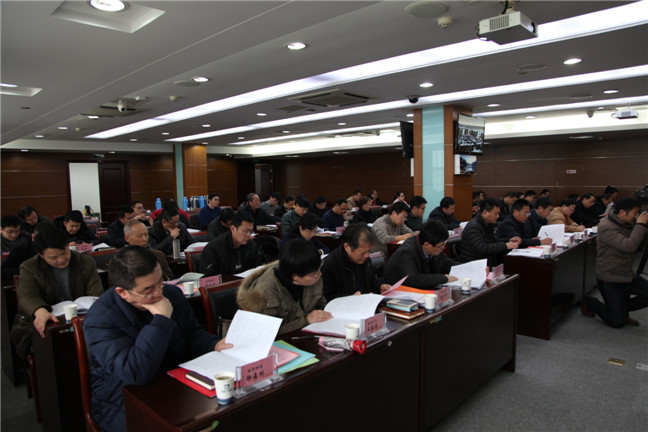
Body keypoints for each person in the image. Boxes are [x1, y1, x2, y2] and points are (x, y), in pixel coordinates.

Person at [83, 246, 232, 432]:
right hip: (123, 398)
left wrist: (214, 344)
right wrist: (161, 320)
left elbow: (192, 334)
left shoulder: (172, 294)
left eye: (160, 282)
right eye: (148, 289)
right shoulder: (99, 319)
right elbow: (135, 373)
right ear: (122, 292)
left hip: (174, 383)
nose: (158, 293)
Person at [10, 224, 103, 359]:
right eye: (54, 257)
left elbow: (96, 293)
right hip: (50, 322)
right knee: (55, 349)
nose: (61, 260)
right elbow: (27, 296)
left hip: (81, 319)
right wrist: (39, 310)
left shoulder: (85, 261)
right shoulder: (30, 267)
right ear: (41, 255)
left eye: (64, 253)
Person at [236, 239, 332, 335]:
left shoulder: (312, 275)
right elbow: (268, 333)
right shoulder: (265, 292)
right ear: (295, 276)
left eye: (319, 269)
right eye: (313, 274)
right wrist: (305, 321)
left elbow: (320, 303)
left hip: (310, 332)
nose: (319, 275)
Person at [581, 198, 648, 327]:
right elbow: (629, 246)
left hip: (627, 274)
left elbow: (640, 245)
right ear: (622, 212)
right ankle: (588, 301)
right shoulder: (606, 226)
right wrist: (640, 226)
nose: (637, 216)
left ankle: (621, 309)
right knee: (616, 322)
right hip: (610, 278)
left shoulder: (627, 223)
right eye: (635, 213)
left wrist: (644, 226)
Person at [382, 221, 460, 289]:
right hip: (398, 292)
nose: (443, 247)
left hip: (422, 289)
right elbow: (412, 279)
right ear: (427, 245)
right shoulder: (407, 252)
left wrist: (464, 268)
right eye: (441, 245)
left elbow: (446, 264)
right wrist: (443, 278)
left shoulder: (434, 245)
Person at [321, 223, 389, 300]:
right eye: (363, 252)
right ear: (347, 247)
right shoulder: (330, 265)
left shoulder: (365, 259)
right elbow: (327, 297)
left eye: (369, 251)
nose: (367, 255)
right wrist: (351, 298)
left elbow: (371, 280)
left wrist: (379, 287)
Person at [459, 198, 520, 267]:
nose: (498, 216)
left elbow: (493, 241)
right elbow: (482, 248)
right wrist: (505, 246)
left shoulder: (488, 224)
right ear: (485, 212)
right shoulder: (473, 226)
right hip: (474, 265)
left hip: (486, 263)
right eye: (495, 213)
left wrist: (508, 240)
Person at [199, 212, 260, 277]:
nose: (249, 235)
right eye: (245, 231)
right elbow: (208, 278)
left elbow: (255, 270)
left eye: (251, 231)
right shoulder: (214, 249)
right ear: (233, 229)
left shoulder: (251, 245)